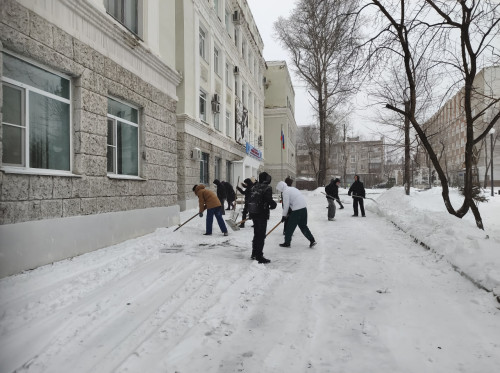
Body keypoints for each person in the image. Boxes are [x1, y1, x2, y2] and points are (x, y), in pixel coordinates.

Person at [276, 180, 316, 248]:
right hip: (304, 208)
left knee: (289, 227)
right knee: (303, 226)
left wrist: (284, 216)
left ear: (281, 188)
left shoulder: (285, 192)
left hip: (297, 210)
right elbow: (295, 200)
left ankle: (287, 243)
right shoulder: (293, 188)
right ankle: (312, 240)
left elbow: (286, 205)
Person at [248, 172, 277, 263]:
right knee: (261, 235)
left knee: (256, 233)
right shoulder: (267, 188)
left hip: (254, 213)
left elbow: (250, 198)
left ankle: (254, 252)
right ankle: (259, 255)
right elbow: (268, 200)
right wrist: (273, 204)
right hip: (261, 214)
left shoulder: (254, 186)